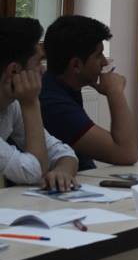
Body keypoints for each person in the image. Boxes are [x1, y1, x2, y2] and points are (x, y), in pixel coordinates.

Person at [39, 15, 138, 171]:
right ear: (76, 65)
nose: (105, 62)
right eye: (98, 55)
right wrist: (115, 92)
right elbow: (127, 153)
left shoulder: (62, 86)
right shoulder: (53, 103)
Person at [0, 17, 79, 190]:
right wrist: (31, 104)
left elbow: (63, 153)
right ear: (14, 71)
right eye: (39, 62)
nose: (43, 70)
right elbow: (32, 172)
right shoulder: (25, 102)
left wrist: (61, 172)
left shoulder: (11, 105)